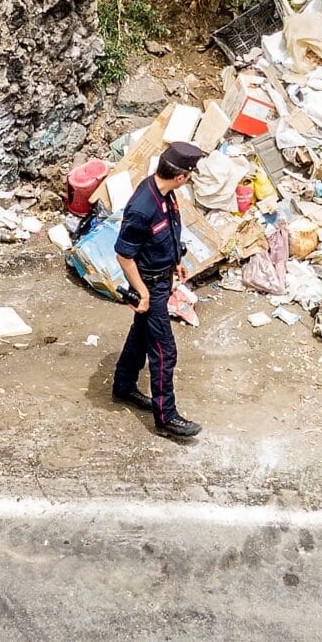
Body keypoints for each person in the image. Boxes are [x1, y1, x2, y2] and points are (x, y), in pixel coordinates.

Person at [110, 141, 204, 439]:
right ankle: (166, 417)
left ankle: (123, 387)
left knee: (141, 336)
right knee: (165, 351)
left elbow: (169, 231)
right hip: (149, 284)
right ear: (181, 176)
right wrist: (144, 292)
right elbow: (124, 255)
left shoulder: (166, 194)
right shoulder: (142, 207)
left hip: (163, 277)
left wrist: (176, 261)